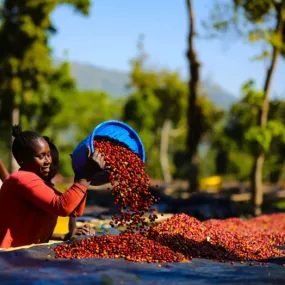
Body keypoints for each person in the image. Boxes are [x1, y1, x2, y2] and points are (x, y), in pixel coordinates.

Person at [0, 125, 105, 248]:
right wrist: (87, 175)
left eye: (48, 155)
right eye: (41, 156)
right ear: (21, 160)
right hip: (8, 258)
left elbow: (74, 209)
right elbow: (62, 207)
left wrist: (81, 173)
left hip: (24, 255)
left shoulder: (41, 183)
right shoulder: (22, 178)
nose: (48, 161)